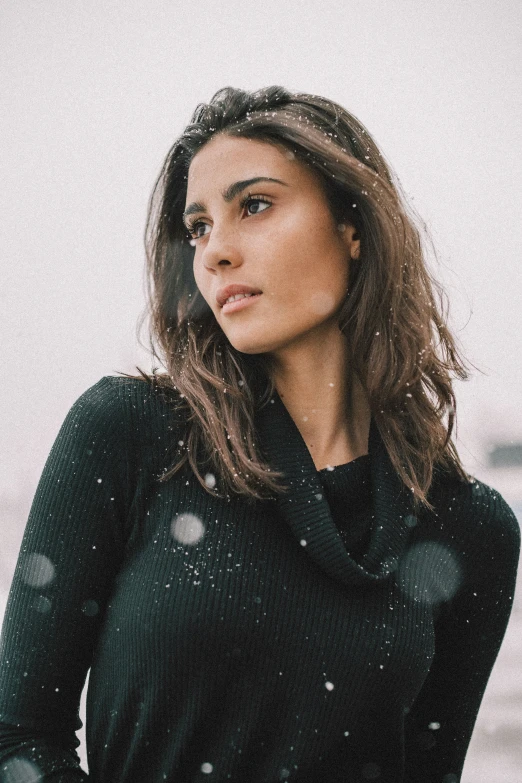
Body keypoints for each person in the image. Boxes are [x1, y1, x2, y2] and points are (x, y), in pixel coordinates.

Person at [0, 86, 519, 783]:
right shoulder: (130, 434)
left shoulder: (469, 526)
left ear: (353, 225)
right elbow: (18, 738)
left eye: (254, 204)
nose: (214, 252)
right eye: (198, 227)